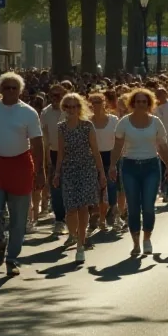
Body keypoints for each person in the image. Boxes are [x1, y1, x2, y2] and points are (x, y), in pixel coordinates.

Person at [0, 73, 45, 277]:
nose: (10, 91)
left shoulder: (29, 112)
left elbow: (38, 144)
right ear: (0, 89)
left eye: (14, 88)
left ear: (20, 90)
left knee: (19, 218)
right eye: (6, 87)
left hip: (21, 165)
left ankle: (12, 258)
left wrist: (41, 172)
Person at [110, 88, 168, 256]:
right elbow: (117, 146)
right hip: (129, 166)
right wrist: (112, 165)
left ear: (149, 103)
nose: (141, 104)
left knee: (148, 206)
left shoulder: (156, 122)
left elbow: (163, 146)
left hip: (151, 166)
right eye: (138, 101)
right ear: (133, 103)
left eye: (144, 102)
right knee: (133, 207)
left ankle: (147, 238)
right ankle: (136, 243)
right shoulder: (124, 122)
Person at [52, 93, 106, 264]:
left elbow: (95, 151)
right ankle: (73, 234)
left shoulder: (87, 126)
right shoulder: (61, 127)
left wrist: (101, 173)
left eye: (75, 106)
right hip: (69, 169)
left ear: (80, 107)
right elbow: (60, 153)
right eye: (68, 106)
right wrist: (57, 173)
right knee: (70, 209)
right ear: (64, 108)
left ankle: (80, 245)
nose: (72, 109)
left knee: (83, 207)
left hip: (86, 169)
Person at [89, 94, 120, 232]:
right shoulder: (87, 122)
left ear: (104, 103)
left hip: (111, 156)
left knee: (111, 187)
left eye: (98, 102)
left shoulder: (113, 120)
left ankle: (111, 213)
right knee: (96, 191)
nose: (96, 105)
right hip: (93, 158)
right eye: (93, 102)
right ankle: (97, 217)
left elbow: (119, 140)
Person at [41, 84, 68, 235]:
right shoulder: (46, 112)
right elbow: (44, 136)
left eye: (59, 95)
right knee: (56, 187)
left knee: (70, 186)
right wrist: (46, 158)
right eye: (53, 96)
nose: (56, 99)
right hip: (54, 152)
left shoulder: (70, 109)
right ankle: (59, 219)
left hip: (71, 153)